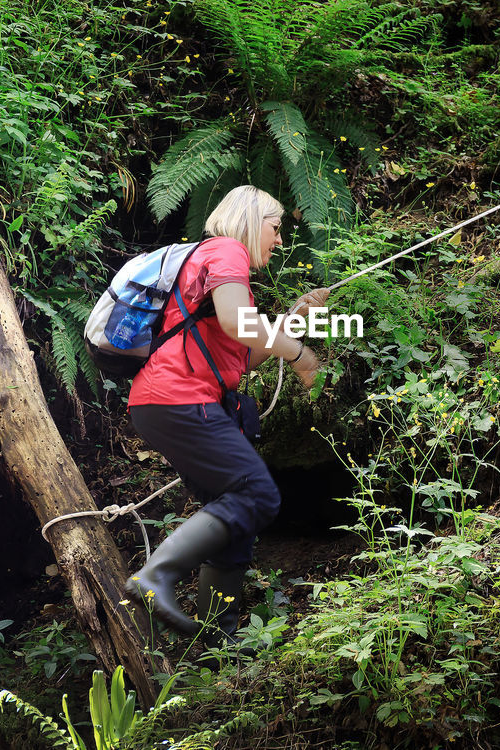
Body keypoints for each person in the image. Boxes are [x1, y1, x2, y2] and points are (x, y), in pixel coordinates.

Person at [124, 184, 328, 655]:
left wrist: (293, 319)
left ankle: (218, 649)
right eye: (276, 228)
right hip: (179, 398)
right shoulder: (225, 250)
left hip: (169, 402)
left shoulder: (215, 269)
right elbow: (239, 323)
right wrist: (300, 356)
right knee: (255, 493)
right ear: (251, 219)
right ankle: (156, 575)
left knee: (236, 521)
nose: (279, 241)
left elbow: (239, 355)